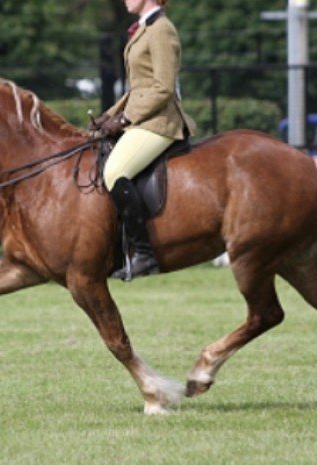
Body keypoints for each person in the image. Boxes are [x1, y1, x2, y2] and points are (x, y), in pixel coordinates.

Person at [89, 0, 195, 281]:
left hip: (161, 122)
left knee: (114, 170)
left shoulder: (161, 30)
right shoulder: (144, 29)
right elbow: (138, 89)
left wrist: (124, 120)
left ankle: (144, 254)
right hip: (144, 119)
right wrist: (108, 116)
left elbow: (162, 88)